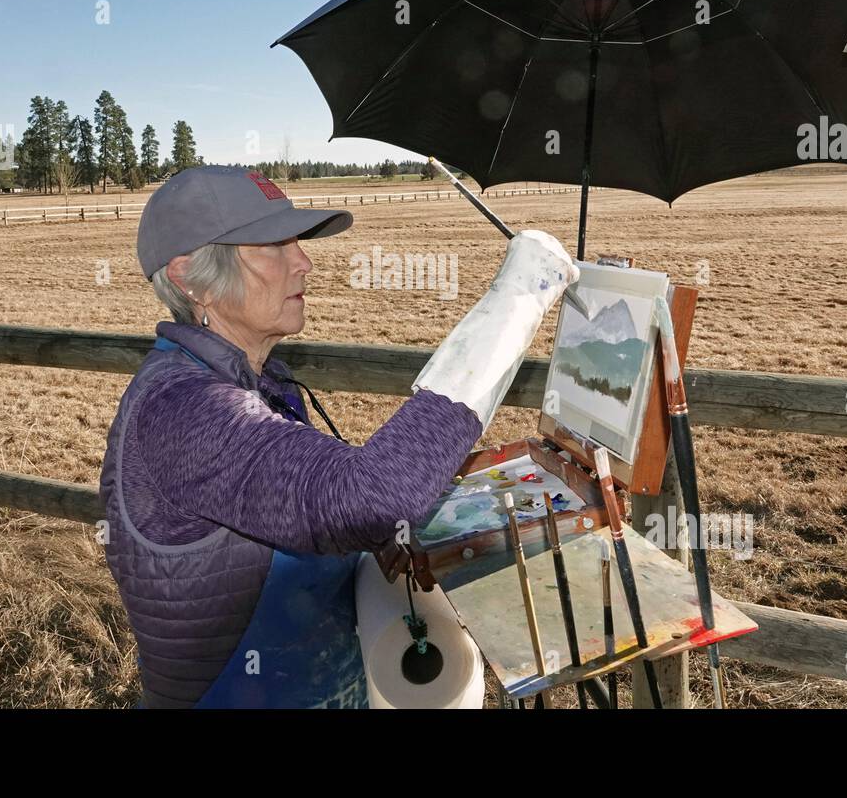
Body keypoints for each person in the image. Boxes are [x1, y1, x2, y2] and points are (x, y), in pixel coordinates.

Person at [99, 164, 578, 707]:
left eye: (296, 242)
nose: (303, 261)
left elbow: (302, 506)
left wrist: (369, 542)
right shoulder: (184, 407)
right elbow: (370, 494)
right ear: (191, 277)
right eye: (271, 245)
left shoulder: (260, 382)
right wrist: (518, 299)